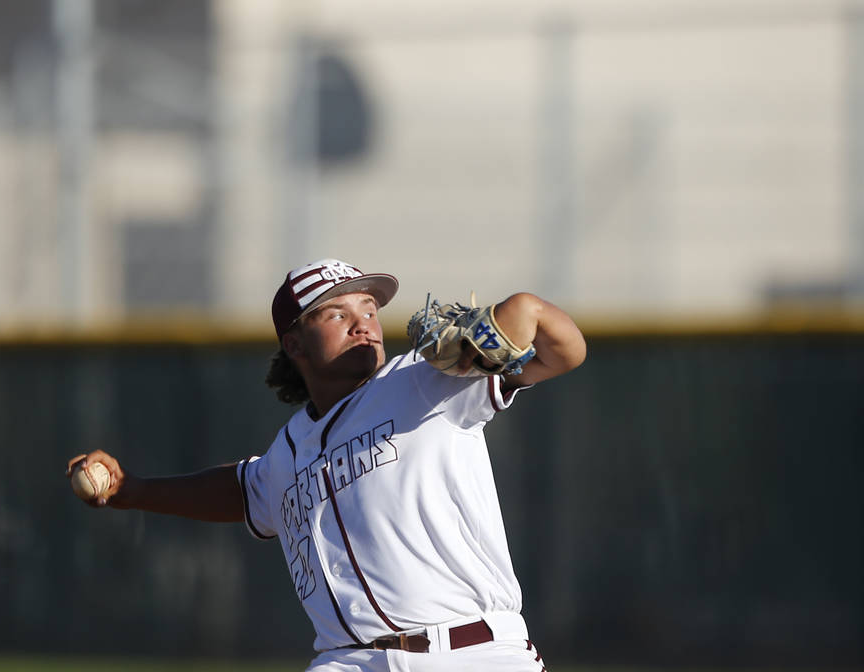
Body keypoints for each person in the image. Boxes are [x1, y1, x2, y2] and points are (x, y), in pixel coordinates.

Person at [66, 258, 586, 671]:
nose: (364, 324)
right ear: (294, 344)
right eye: (338, 314)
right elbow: (243, 490)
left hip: (471, 653)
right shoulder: (289, 449)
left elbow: (564, 350)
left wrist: (525, 311)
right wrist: (130, 490)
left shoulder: (427, 382)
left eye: (369, 309)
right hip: (348, 661)